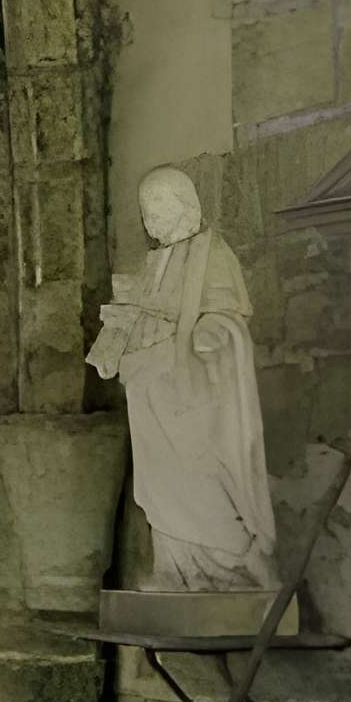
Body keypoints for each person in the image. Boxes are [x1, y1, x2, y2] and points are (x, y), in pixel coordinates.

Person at [88, 164, 275, 589]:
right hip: (148, 384)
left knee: (200, 472)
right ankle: (177, 571)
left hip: (190, 386)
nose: (153, 218)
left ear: (184, 204)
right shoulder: (154, 262)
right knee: (159, 485)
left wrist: (212, 333)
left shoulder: (213, 252)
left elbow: (227, 313)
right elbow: (144, 314)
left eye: (160, 206)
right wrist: (117, 334)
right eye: (146, 210)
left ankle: (234, 565)